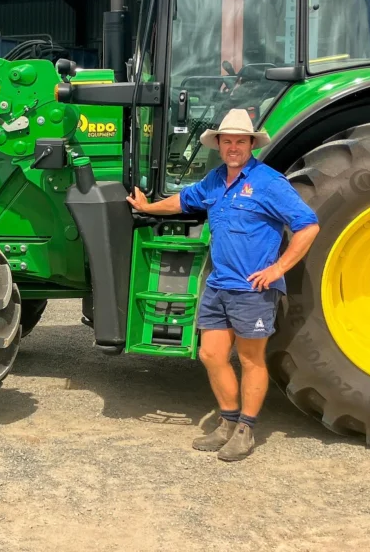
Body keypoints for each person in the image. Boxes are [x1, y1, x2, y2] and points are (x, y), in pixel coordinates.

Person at [127, 109, 320, 462]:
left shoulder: (269, 182)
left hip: (253, 289)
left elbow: (308, 226)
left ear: (251, 144)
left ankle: (246, 429)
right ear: (218, 145)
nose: (233, 147)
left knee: (250, 359)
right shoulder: (216, 181)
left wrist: (278, 268)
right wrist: (149, 207)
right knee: (211, 354)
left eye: (240, 141)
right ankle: (228, 422)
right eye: (227, 141)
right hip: (218, 285)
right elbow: (183, 201)